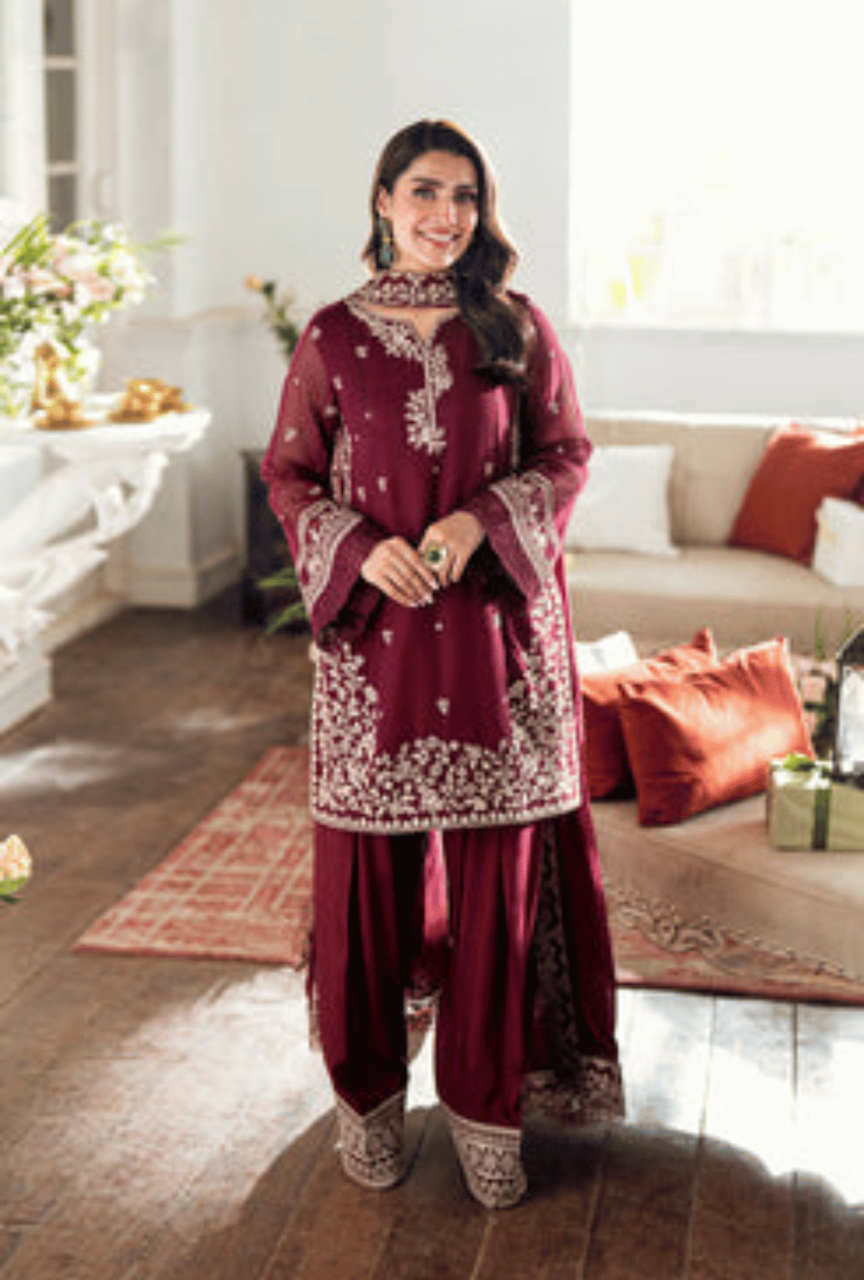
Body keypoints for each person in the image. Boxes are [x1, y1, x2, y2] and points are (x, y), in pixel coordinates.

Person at [261, 119, 624, 1210]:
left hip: (503, 656)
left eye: (465, 197)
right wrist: (362, 547)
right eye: (424, 192)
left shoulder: (514, 327)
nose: (446, 216)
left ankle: (485, 1103)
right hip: (375, 658)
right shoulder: (330, 335)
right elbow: (290, 476)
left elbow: (566, 454)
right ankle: (366, 1098)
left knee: (496, 899)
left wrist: (476, 523)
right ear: (382, 199)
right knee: (366, 890)